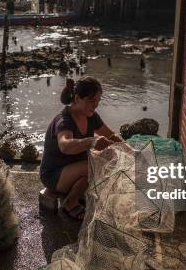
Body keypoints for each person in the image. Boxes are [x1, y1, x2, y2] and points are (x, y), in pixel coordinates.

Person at [40, 77, 124, 220]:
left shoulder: (91, 116)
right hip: (54, 175)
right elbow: (64, 145)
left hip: (75, 170)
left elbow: (110, 135)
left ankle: (77, 192)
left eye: (98, 101)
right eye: (91, 101)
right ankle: (70, 203)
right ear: (77, 98)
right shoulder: (64, 120)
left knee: (110, 156)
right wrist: (91, 141)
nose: (95, 105)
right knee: (95, 163)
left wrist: (129, 149)